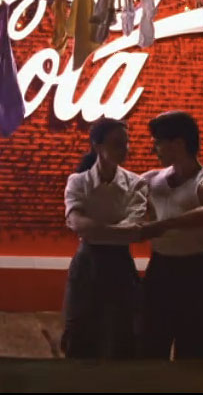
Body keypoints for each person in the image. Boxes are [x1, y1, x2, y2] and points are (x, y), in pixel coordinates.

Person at [140, 111, 203, 360]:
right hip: (159, 271)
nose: (154, 149)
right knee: (148, 350)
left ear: (178, 143)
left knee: (198, 358)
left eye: (158, 142)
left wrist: (163, 226)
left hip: (194, 275)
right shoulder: (151, 179)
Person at [62, 117, 148, 359]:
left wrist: (96, 229)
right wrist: (119, 231)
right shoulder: (78, 181)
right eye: (117, 144)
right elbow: (78, 223)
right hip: (88, 264)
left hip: (120, 265)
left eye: (126, 143)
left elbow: (136, 227)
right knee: (79, 335)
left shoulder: (136, 183)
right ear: (98, 146)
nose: (125, 149)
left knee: (122, 338)